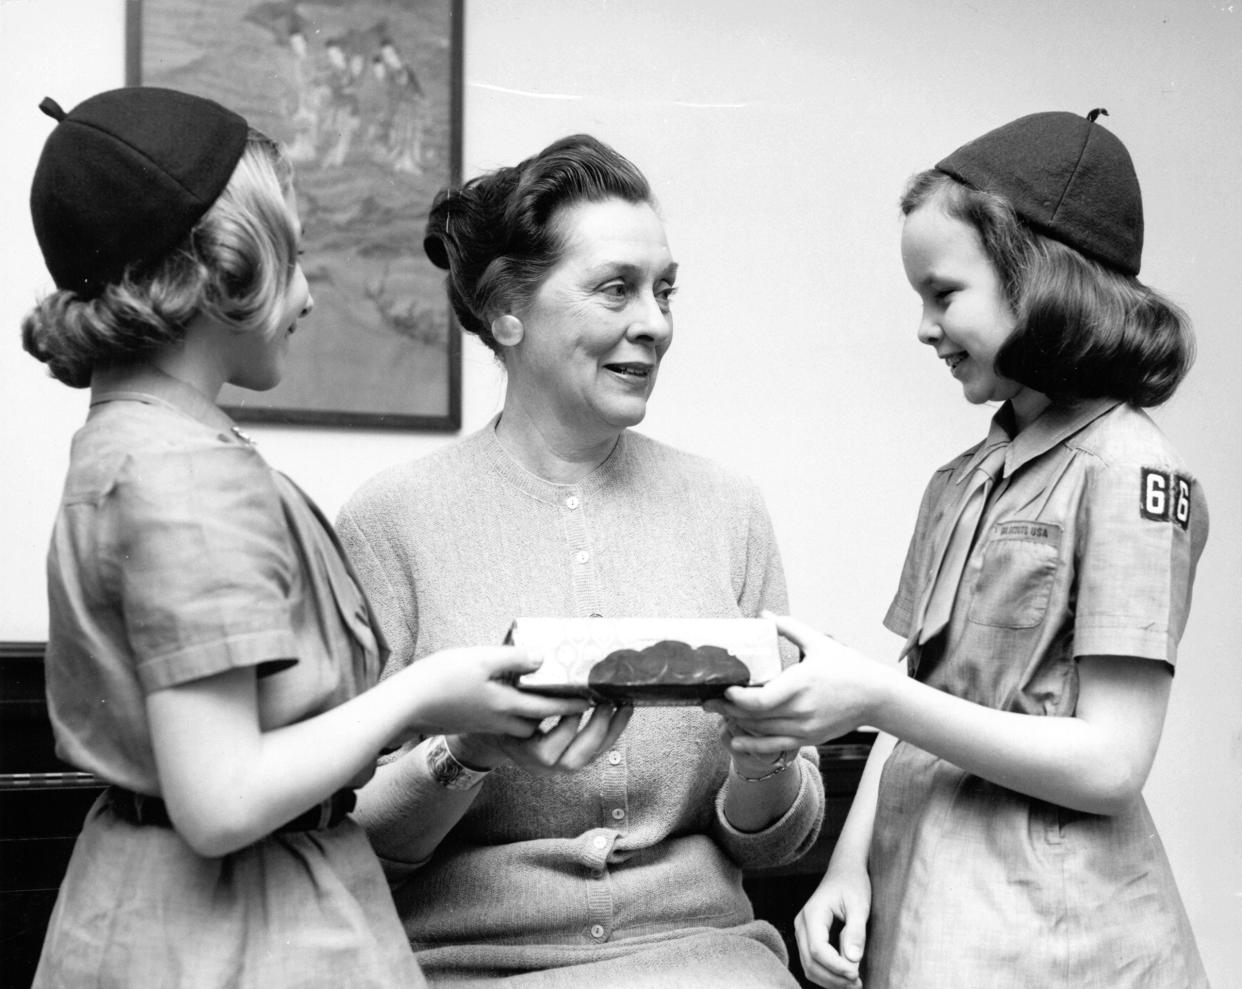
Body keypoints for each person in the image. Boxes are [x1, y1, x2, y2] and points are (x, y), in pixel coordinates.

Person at [23, 87, 587, 988]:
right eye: (293, 255)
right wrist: (421, 694)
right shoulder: (184, 475)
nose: (311, 295)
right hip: (231, 935)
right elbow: (220, 800)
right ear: (224, 266)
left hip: (157, 911)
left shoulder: (131, 445)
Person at [709, 110, 1211, 989]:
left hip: (1054, 933)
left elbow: (1112, 762)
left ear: (1042, 281)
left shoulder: (1132, 470)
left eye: (943, 294)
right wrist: (848, 865)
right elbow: (918, 687)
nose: (924, 327)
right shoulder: (964, 475)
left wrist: (873, 695)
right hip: (925, 902)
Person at [336, 133, 825, 988]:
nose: (656, 323)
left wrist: (766, 760)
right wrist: (466, 750)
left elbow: (779, 840)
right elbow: (350, 843)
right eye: (615, 289)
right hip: (472, 970)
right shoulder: (389, 521)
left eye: (665, 290)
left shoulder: (728, 507)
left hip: (707, 964)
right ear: (505, 311)